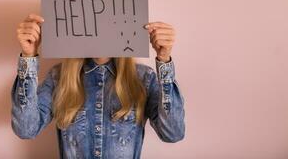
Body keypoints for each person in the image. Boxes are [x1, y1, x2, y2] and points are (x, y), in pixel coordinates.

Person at [11, 13, 185, 159]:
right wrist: (28, 57)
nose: (99, 30)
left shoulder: (144, 78)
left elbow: (172, 133)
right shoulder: (59, 77)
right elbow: (26, 129)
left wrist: (164, 60)